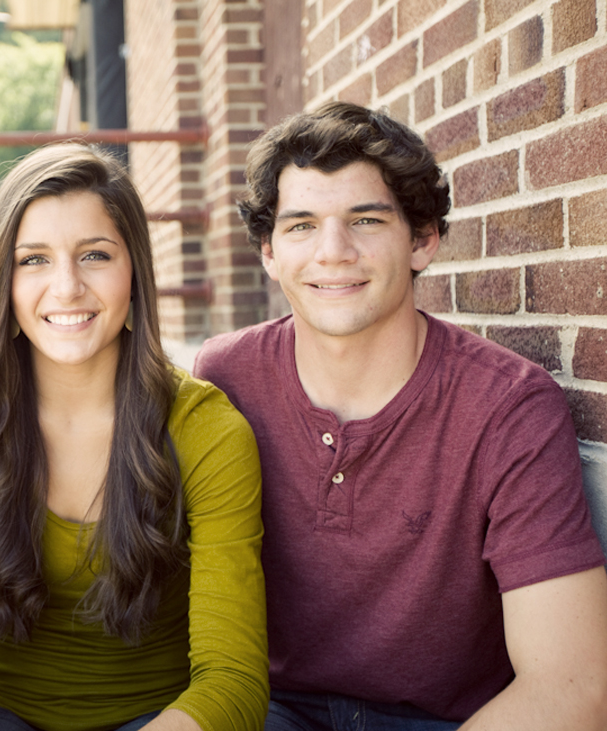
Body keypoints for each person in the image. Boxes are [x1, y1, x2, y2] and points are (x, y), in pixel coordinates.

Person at [194, 101, 607, 730]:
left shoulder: (507, 406)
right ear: (269, 252)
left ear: (423, 240)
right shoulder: (225, 379)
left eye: (365, 219)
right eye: (301, 225)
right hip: (270, 711)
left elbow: (571, 688)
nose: (333, 252)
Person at [0, 143, 268, 731]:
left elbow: (233, 677)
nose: (66, 287)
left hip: (164, 718)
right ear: (2, 283)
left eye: (94, 255)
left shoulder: (206, 429)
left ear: (134, 272)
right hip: (2, 712)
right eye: (33, 259)